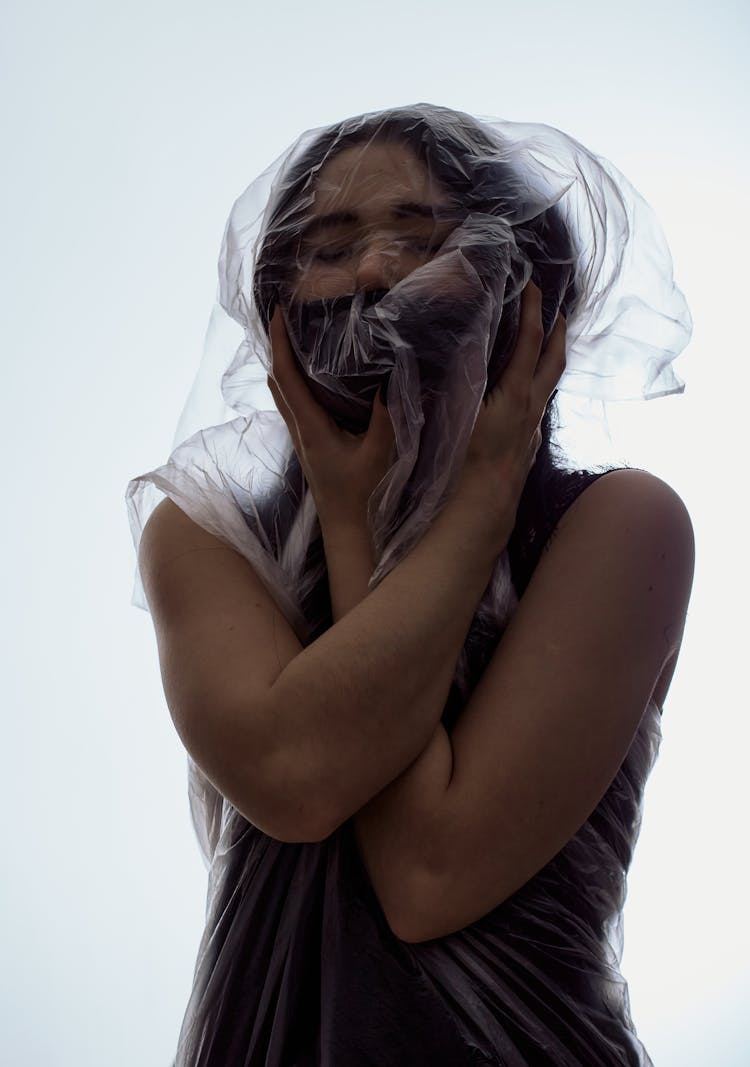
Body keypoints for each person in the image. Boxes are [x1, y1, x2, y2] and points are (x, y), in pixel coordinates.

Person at [127, 104, 694, 1065]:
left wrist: (462, 512)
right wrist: (365, 527)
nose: (378, 274)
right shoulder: (206, 539)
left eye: (423, 237)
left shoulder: (621, 528)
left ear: (529, 300)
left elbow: (428, 872)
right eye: (329, 245)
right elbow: (300, 774)